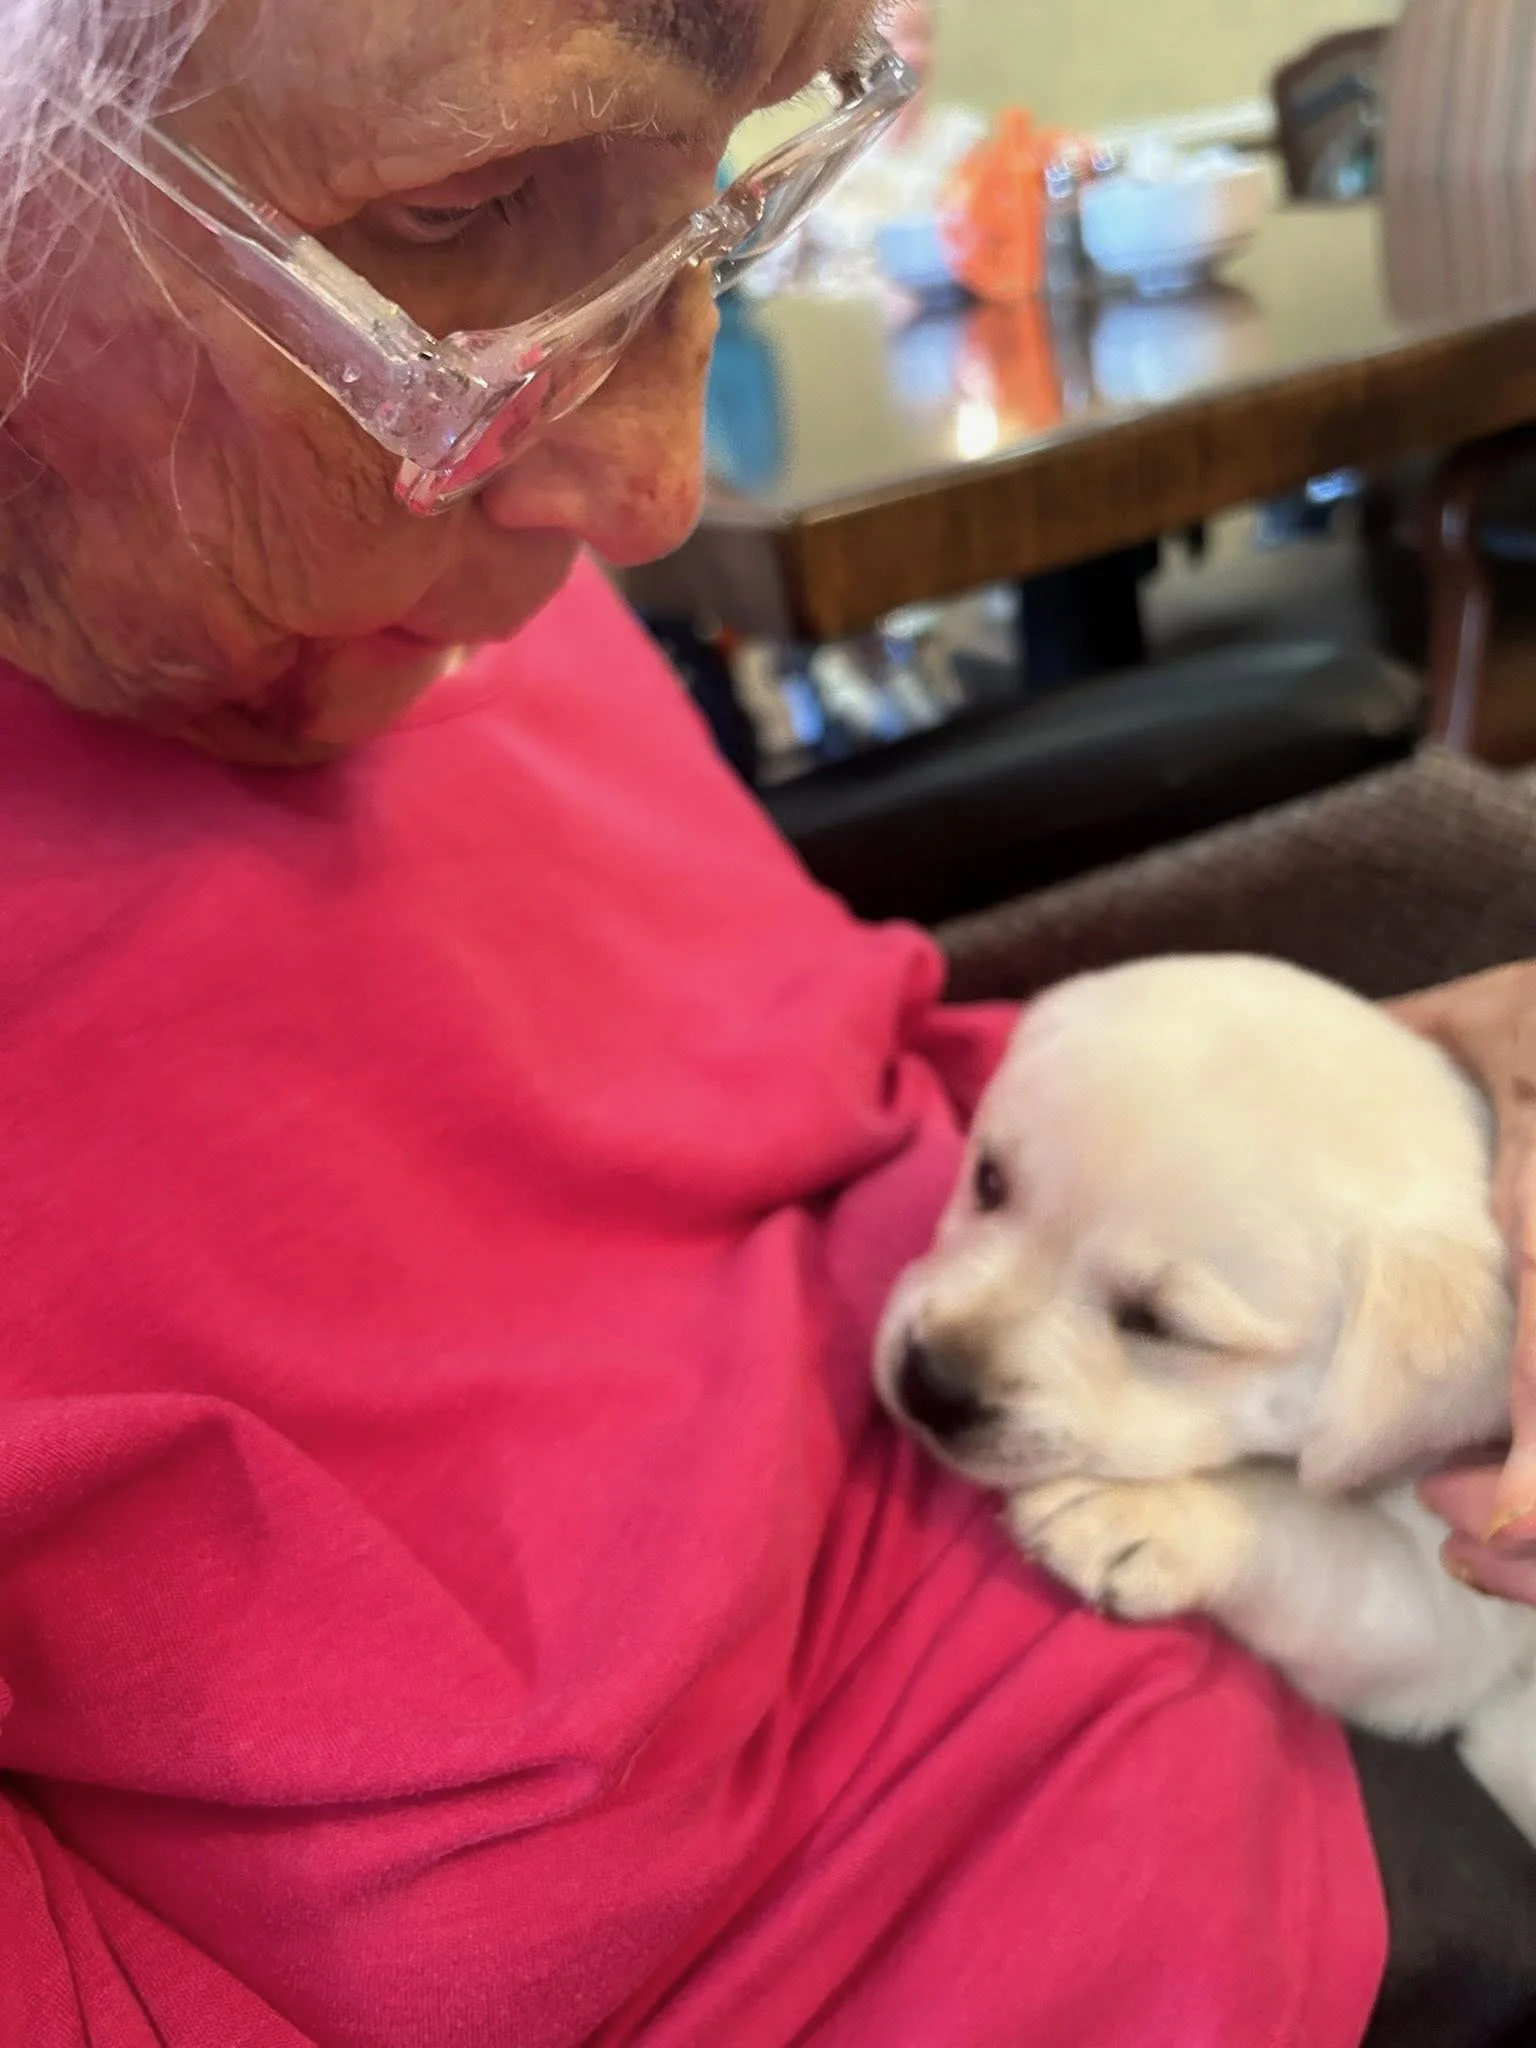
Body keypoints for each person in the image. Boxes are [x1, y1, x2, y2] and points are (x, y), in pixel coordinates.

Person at [1, 1, 1535, 2043]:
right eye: (460, 206)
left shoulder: (406, 549)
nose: (652, 494)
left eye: (733, 181)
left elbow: (806, 1030)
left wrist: (1381, 1127)